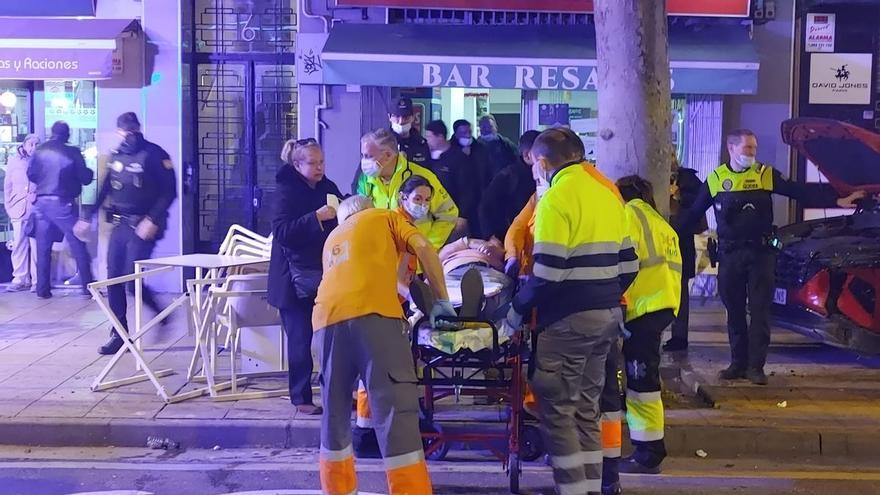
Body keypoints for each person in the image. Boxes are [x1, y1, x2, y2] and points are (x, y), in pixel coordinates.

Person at [677, 129, 866, 385]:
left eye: (754, 148)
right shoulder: (717, 179)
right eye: (747, 149)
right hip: (730, 254)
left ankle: (756, 367)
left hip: (761, 253)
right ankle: (737, 364)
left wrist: (838, 199)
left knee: (759, 312)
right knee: (733, 312)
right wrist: (666, 228)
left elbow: (799, 191)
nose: (752, 154)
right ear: (731, 149)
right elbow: (693, 213)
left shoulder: (766, 175)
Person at [505, 128, 638, 495]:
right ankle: (591, 488)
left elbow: (547, 271)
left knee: (558, 412)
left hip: (566, 323)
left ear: (543, 163)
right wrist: (604, 294)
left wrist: (517, 310)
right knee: (586, 410)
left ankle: (573, 491)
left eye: (535, 166)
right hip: (607, 319)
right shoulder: (607, 193)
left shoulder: (555, 198)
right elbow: (630, 264)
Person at [312, 195, 455, 495]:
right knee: (395, 416)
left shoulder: (332, 239)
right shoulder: (386, 216)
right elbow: (425, 248)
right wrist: (440, 300)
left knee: (334, 418)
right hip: (375, 319)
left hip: (324, 325)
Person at [85, 113, 176, 355]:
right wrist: (87, 216)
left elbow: (170, 192)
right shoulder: (117, 156)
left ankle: (162, 313)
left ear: (139, 129)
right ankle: (119, 333)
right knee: (113, 277)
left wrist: (152, 219)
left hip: (146, 225)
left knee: (130, 278)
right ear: (119, 132)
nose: (130, 134)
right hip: (121, 224)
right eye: (126, 131)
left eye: (133, 130)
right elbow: (105, 189)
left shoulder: (156, 154)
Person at [267, 137, 342, 415]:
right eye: (312, 163)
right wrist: (316, 218)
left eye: (321, 161)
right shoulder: (285, 191)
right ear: (297, 165)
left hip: (324, 273)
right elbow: (282, 232)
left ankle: (334, 392)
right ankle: (301, 397)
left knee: (331, 337)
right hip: (292, 279)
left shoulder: (328, 187)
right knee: (299, 339)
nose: (319, 167)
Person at [615, 175, 682, 475]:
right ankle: (647, 446)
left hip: (643, 307)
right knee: (642, 378)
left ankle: (648, 450)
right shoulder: (661, 223)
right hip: (663, 305)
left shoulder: (629, 214)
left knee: (641, 382)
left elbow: (623, 260)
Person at [356, 127, 458, 249]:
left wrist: (428, 246)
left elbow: (448, 214)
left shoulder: (422, 177)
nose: (363, 161)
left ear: (388, 155)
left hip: (416, 258)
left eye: (368, 156)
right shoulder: (366, 180)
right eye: (363, 155)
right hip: (382, 256)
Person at [27, 121, 94, 299]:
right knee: (77, 243)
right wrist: (89, 173)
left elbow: (31, 174)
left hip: (41, 203)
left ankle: (43, 289)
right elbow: (85, 178)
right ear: (67, 134)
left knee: (43, 247)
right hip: (63, 202)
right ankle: (87, 286)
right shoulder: (72, 152)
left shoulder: (39, 150)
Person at [664, 167, 707, 352]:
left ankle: (679, 336)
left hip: (681, 245)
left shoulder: (688, 182)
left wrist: (679, 196)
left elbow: (696, 209)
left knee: (680, 293)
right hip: (665, 243)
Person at [350, 98, 429, 195]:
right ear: (389, 117)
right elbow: (359, 180)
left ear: (413, 118)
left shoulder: (421, 144)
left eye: (405, 117)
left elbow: (429, 175)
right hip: (381, 196)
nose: (401, 121)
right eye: (397, 116)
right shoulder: (380, 142)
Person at [479, 130, 539, 241]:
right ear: (527, 155)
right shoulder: (508, 176)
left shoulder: (547, 176)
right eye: (540, 154)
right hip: (510, 240)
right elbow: (486, 207)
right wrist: (492, 237)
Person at [424, 120, 475, 235]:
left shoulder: (459, 158)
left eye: (429, 136)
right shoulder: (425, 156)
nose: (427, 140)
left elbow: (467, 190)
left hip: (452, 215)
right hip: (430, 214)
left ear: (440, 137)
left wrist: (462, 215)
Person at [3, 134, 39, 292]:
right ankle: (20, 278)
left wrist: (37, 194)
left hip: (36, 209)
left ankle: (37, 280)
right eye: (30, 144)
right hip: (18, 208)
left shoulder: (42, 162)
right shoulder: (14, 161)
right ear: (24, 145)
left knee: (36, 247)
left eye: (36, 144)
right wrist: (9, 205)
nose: (33, 147)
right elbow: (8, 186)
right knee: (19, 244)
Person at [477, 114, 519, 188]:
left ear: (496, 127)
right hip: (481, 188)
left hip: (503, 185)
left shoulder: (506, 145)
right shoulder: (474, 146)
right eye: (483, 127)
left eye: (489, 126)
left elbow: (517, 162)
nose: (486, 129)